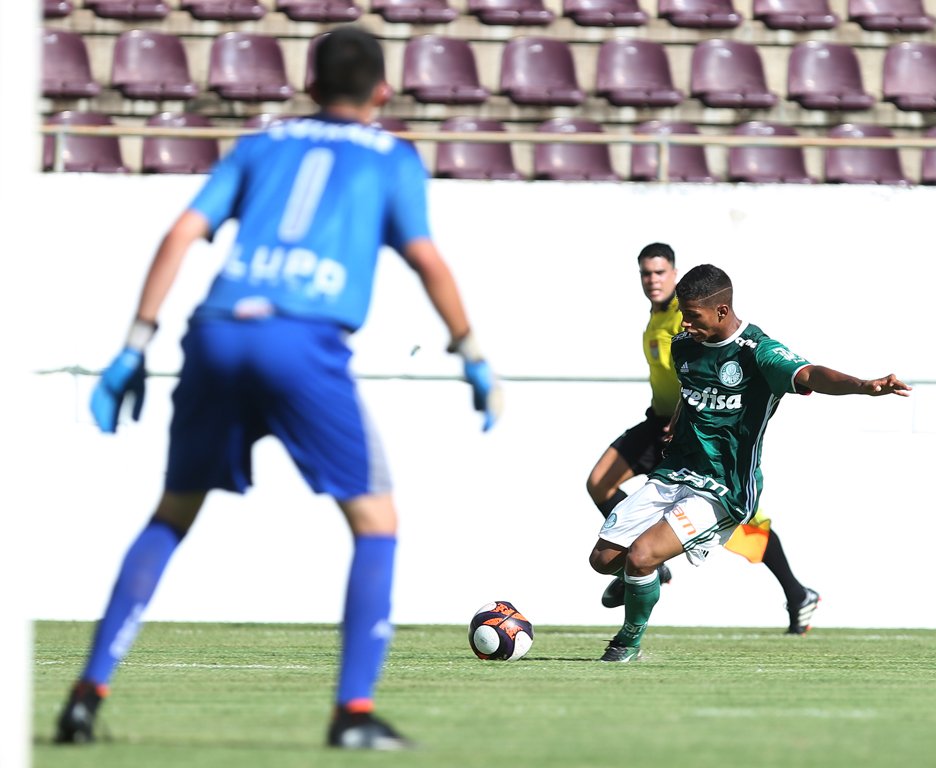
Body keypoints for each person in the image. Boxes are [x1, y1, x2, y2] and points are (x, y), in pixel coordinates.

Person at [54, 26, 502, 750]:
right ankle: (353, 714)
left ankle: (84, 696)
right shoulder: (393, 157)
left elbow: (178, 236)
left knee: (171, 514)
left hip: (218, 329)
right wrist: (473, 357)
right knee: (377, 523)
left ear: (310, 84)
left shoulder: (261, 144)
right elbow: (427, 258)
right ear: (383, 91)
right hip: (304, 341)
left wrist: (133, 346)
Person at [588, 264, 909, 663]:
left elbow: (811, 374)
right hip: (674, 473)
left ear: (722, 311)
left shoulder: (759, 353)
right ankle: (643, 581)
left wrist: (863, 386)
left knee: (640, 555)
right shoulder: (684, 346)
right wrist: (675, 423)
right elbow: (692, 396)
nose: (685, 324)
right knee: (603, 560)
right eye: (682, 315)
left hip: (724, 488)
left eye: (693, 316)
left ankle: (628, 640)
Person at [587, 244, 819, 634]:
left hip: (699, 433)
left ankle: (796, 593)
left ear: (675, 276)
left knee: (746, 524)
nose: (652, 280)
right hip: (661, 426)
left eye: (660, 273)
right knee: (598, 482)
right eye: (646, 273)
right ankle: (645, 563)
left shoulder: (687, 320)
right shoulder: (657, 319)